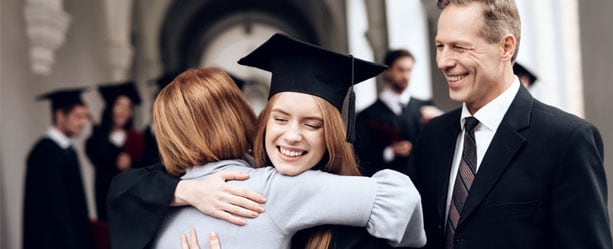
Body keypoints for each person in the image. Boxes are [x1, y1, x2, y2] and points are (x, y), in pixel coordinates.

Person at [108, 34, 426, 249]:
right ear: (254, 120)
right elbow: (400, 199)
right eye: (280, 118)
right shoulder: (270, 189)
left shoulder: (154, 209)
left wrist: (181, 189)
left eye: (312, 123)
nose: (291, 135)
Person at [407, 0, 613, 248]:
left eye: (459, 47)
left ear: (505, 47)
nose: (443, 61)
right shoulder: (431, 137)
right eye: (440, 46)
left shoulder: (567, 141)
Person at [24, 88, 94, 249]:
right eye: (78, 116)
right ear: (60, 115)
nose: (83, 122)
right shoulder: (44, 153)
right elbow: (48, 212)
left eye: (84, 117)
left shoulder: (69, 150)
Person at [355, 49, 442, 176]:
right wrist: (390, 151)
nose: (406, 76)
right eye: (400, 70)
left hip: (425, 182)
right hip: (388, 183)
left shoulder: (428, 107)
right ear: (387, 72)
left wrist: (440, 118)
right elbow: (361, 156)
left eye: (409, 70)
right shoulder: (367, 116)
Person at [86, 81, 145, 222]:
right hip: (106, 207)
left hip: (133, 206)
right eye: (120, 105)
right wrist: (97, 128)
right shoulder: (96, 139)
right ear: (110, 107)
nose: (124, 111)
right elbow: (98, 155)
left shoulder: (137, 138)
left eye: (128, 107)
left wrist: (132, 164)